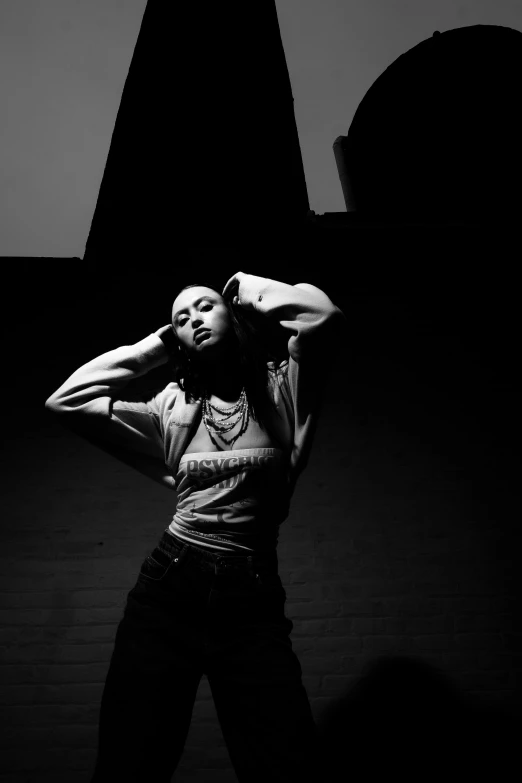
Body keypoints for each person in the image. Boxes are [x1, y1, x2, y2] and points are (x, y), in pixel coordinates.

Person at [45, 270, 346, 782]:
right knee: (130, 762)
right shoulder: (171, 407)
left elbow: (322, 318)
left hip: (251, 598)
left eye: (205, 307)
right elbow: (66, 401)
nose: (193, 320)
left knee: (285, 762)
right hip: (168, 589)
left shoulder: (282, 387)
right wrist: (148, 351)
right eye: (180, 319)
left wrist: (246, 289)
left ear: (234, 314)